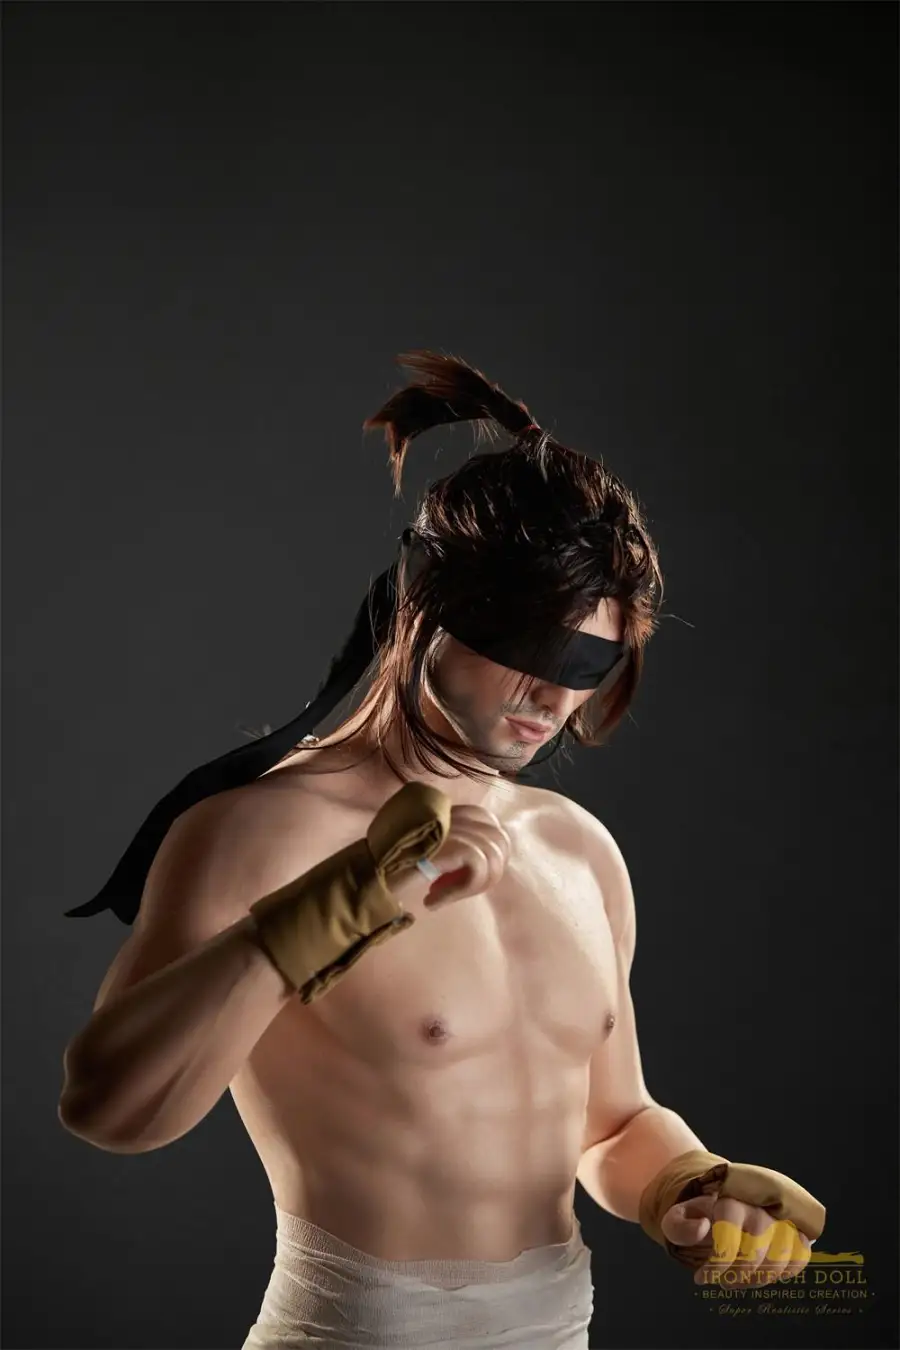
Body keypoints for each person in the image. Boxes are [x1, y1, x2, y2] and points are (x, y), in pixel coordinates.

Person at [58, 352, 825, 1350]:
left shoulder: (577, 851)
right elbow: (111, 1110)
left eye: (590, 664)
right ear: (427, 610)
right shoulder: (263, 830)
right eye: (532, 649)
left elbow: (608, 1122)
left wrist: (688, 1185)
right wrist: (329, 912)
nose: (553, 696)